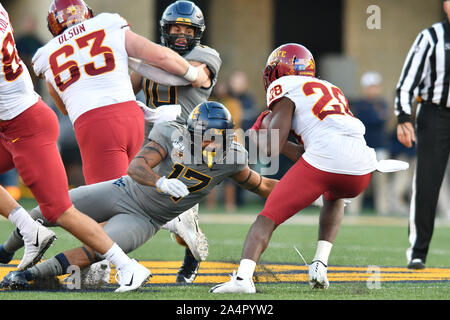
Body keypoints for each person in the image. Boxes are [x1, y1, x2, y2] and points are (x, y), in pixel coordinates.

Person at [0, 102, 278, 290]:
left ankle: (28, 275)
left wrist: (305, 190)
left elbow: (260, 185)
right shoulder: (172, 134)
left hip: (148, 218)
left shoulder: (233, 158)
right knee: (48, 210)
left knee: (96, 251)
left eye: (216, 136)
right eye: (204, 136)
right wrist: (161, 183)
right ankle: (6, 250)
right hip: (122, 191)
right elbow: (136, 168)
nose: (209, 143)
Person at [210, 43, 407, 294]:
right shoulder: (330, 88)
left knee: (267, 218)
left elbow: (272, 147)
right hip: (361, 167)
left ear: (277, 73)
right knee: (334, 196)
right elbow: (305, 152)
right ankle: (319, 265)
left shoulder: (286, 89)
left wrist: (256, 133)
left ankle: (243, 280)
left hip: (327, 159)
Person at [0, 3, 150, 292]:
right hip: (14, 119)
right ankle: (28, 229)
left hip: (25, 126)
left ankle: (127, 267)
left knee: (59, 211)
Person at [34, 0, 208, 186]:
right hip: (131, 116)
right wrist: (193, 74)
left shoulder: (45, 55)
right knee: (136, 191)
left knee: (109, 198)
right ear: (86, 13)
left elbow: (64, 108)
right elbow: (160, 55)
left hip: (95, 123)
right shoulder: (108, 22)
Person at [130, 0, 221, 284]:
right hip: (153, 138)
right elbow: (126, 87)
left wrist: (143, 58)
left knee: (176, 216)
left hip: (187, 138)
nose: (181, 33)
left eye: (187, 28)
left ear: (198, 32)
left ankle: (190, 256)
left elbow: (191, 76)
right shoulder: (153, 58)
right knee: (139, 202)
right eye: (175, 27)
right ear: (165, 29)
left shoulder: (206, 55)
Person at [395, 0, 450, 270]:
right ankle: (418, 251)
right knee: (427, 182)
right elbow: (406, 83)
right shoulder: (430, 37)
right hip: (436, 114)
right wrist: (404, 118)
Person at [347, 71, 390, 215]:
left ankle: (383, 210)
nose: (373, 89)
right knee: (358, 181)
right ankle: (353, 211)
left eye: (375, 86)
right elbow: (363, 121)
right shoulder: (359, 104)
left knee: (381, 183)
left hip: (379, 148)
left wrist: (373, 118)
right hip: (362, 148)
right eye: (370, 87)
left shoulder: (382, 103)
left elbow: (381, 120)